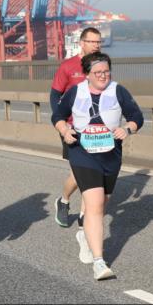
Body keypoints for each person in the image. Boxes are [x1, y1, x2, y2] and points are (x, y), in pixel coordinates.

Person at [52, 51, 143, 280]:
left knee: (102, 204)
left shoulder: (118, 90)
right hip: (82, 152)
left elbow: (136, 116)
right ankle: (99, 262)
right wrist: (65, 131)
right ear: (87, 75)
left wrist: (128, 128)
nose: (103, 76)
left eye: (106, 71)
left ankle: (84, 233)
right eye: (98, 72)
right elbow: (58, 115)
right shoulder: (75, 92)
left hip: (110, 155)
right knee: (93, 205)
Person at [50, 27, 103, 228]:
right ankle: (63, 201)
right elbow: (55, 95)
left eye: (99, 42)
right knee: (81, 172)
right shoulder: (68, 67)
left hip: (96, 128)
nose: (96, 45)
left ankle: (83, 216)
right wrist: (60, 121)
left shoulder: (102, 66)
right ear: (82, 43)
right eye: (92, 41)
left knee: (91, 171)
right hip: (72, 127)